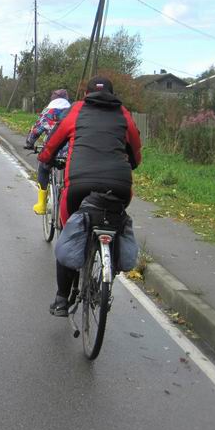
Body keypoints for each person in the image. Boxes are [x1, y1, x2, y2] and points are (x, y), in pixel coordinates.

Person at [38, 76, 142, 316]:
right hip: (119, 186)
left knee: (68, 231)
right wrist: (129, 163)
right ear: (113, 94)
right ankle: (109, 268)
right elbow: (136, 153)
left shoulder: (77, 110)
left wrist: (45, 159)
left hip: (79, 185)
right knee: (114, 221)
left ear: (85, 95)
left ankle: (62, 299)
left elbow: (52, 144)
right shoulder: (123, 114)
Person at [23, 89, 72, 214]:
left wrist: (29, 143)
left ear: (52, 99)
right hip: (72, 153)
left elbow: (36, 130)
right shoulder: (73, 112)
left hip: (52, 152)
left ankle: (41, 204)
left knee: (43, 168)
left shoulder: (48, 112)